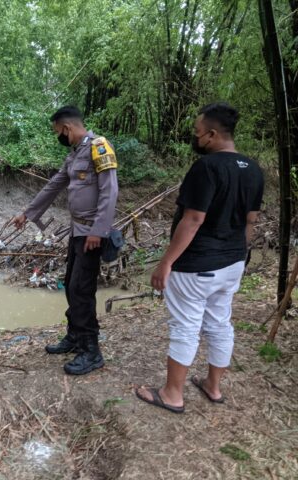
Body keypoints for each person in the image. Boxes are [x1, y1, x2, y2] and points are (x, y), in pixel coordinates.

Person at [135, 103, 264, 413]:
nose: (194, 137)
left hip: (197, 265)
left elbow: (193, 219)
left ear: (212, 134)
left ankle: (172, 394)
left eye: (196, 132)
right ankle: (213, 387)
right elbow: (251, 221)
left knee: (186, 326)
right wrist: (238, 256)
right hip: (232, 263)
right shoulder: (254, 169)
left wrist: (166, 261)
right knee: (220, 323)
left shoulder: (206, 168)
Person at [13, 106, 119, 375]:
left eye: (57, 132)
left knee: (82, 291)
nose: (58, 136)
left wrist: (99, 230)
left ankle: (91, 351)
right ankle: (74, 337)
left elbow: (110, 191)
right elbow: (54, 185)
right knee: (72, 287)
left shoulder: (99, 146)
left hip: (91, 235)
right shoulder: (74, 155)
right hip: (77, 233)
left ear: (67, 128)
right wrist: (28, 213)